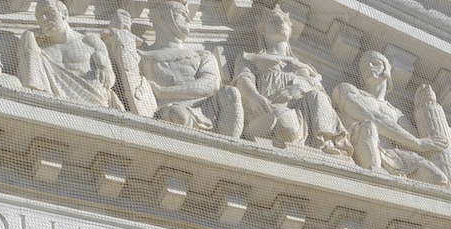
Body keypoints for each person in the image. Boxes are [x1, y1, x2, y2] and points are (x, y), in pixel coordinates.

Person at [232, 5, 350, 153]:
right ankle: (262, 128)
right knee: (288, 128)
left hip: (300, 109)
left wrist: (298, 88)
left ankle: (326, 140)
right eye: (274, 20)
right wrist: (254, 96)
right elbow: (243, 79)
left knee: (318, 96)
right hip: (269, 105)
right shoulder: (249, 57)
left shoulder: (303, 66)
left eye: (285, 21)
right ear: (261, 29)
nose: (281, 22)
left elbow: (319, 90)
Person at [332, 51, 449, 185]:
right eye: (364, 66)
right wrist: (418, 143)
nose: (369, 66)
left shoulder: (396, 113)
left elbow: (425, 140)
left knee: (438, 179)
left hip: (393, 156)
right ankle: (375, 176)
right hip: (361, 145)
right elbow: (372, 116)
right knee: (368, 126)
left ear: (387, 70)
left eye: (375, 63)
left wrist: (426, 105)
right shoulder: (346, 89)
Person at [140, 0, 243, 137]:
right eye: (181, 14)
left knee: (231, 92)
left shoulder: (203, 55)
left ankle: (231, 148)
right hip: (169, 108)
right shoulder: (143, 56)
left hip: (205, 108)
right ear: (164, 16)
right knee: (178, 115)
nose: (188, 19)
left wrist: (163, 91)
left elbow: (211, 85)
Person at [16, 0, 122, 109]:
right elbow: (31, 78)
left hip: (93, 99)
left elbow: (108, 76)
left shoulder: (89, 41)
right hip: (53, 105)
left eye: (48, 12)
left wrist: (105, 72)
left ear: (64, 14)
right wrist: (29, 37)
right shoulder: (39, 50)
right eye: (39, 17)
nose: (44, 19)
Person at [101, 9, 157, 116]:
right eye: (122, 19)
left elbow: (139, 41)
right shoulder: (113, 32)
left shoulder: (132, 37)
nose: (125, 22)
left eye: (127, 20)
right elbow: (104, 34)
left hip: (132, 66)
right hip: (117, 64)